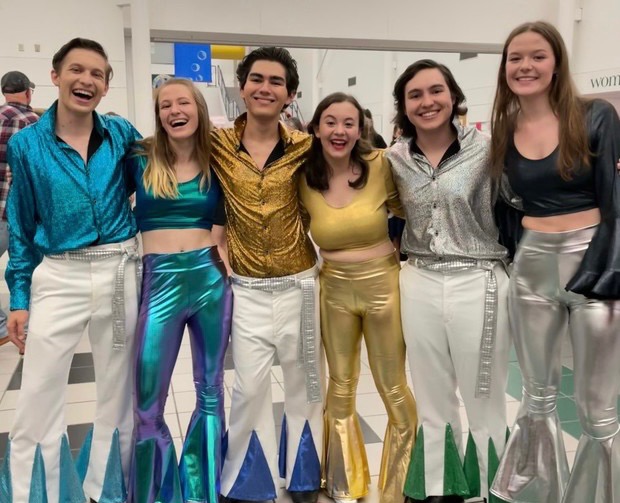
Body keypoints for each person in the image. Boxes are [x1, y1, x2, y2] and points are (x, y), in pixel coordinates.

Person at [0, 38, 141, 502]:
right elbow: (20, 226)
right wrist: (19, 299)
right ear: (56, 76)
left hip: (121, 270)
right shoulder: (26, 144)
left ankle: (109, 489)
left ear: (105, 86)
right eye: (77, 70)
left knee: (119, 389)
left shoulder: (121, 135)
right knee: (38, 390)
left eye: (97, 74)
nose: (87, 80)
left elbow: (160, 185)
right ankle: (31, 493)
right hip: (59, 274)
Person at [489, 21, 620, 503]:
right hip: (531, 269)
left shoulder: (596, 116)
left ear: (557, 62)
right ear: (504, 69)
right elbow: (506, 207)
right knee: (536, 395)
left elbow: (615, 201)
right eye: (515, 58)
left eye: (537, 56)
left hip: (594, 264)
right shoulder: (504, 130)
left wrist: (609, 271)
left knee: (596, 408)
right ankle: (536, 493)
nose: (525, 66)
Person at [386, 60, 511, 503]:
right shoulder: (394, 159)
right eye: (415, 94)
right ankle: (441, 486)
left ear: (453, 95)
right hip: (417, 279)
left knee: (484, 393)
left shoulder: (490, 150)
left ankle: (496, 487)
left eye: (435, 91)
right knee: (432, 391)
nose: (427, 102)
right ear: (403, 105)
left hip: (479, 281)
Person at [212, 47, 323, 503]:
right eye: (256, 78)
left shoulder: (307, 148)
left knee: (306, 383)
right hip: (248, 289)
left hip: (300, 285)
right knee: (249, 388)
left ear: (290, 95)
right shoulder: (216, 143)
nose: (265, 87)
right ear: (242, 87)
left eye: (276, 81)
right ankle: (246, 480)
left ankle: (302, 478)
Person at [299, 92, 417, 503]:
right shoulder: (303, 176)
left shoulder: (380, 165)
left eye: (349, 123)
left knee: (393, 386)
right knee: (341, 386)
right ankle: (344, 483)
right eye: (330, 122)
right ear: (315, 128)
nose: (339, 131)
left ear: (360, 129)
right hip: (333, 287)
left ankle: (401, 485)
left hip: (384, 285)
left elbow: (412, 208)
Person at [126, 78, 232, 503]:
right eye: (165, 104)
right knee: (147, 399)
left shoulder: (219, 158)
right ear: (158, 114)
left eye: (182, 101)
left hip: (210, 278)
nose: (174, 110)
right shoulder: (139, 157)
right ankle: (155, 492)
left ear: (198, 107)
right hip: (159, 279)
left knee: (210, 389)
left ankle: (204, 489)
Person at [0, 71, 39, 348]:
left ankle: (5, 326)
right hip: (19, 213)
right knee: (27, 270)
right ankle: (30, 331)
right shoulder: (32, 123)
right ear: (28, 92)